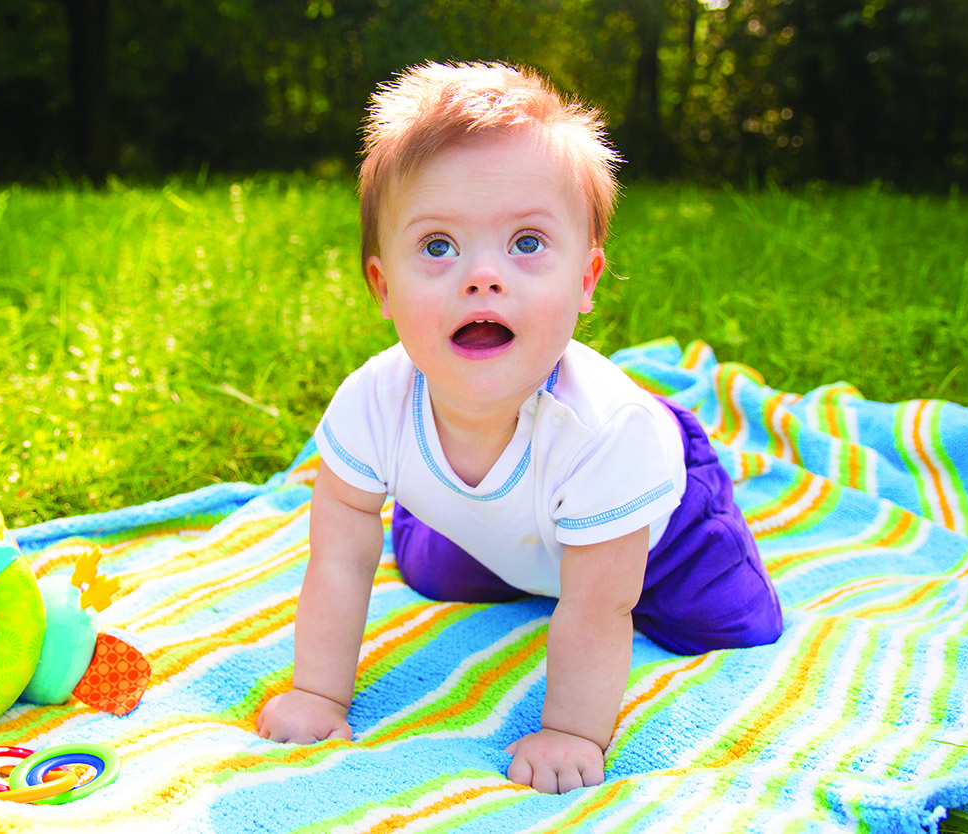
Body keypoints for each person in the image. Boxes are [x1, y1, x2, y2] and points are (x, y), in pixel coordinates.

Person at [256, 61, 782, 794]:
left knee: (732, 623)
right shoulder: (372, 402)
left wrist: (571, 730)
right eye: (438, 246)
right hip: (509, 529)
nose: (482, 276)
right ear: (383, 286)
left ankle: (705, 543)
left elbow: (601, 608)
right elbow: (340, 557)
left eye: (527, 244)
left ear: (587, 279)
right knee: (431, 571)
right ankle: (466, 523)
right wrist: (318, 693)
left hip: (660, 528)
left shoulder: (605, 434)